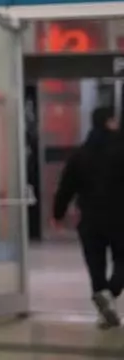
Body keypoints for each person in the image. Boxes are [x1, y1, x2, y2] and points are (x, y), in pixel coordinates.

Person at [53, 105, 124, 327]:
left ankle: (105, 308)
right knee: (122, 260)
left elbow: (66, 187)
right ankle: (110, 295)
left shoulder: (80, 153)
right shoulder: (122, 149)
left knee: (96, 266)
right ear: (110, 122)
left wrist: (58, 213)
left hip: (90, 220)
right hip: (120, 218)